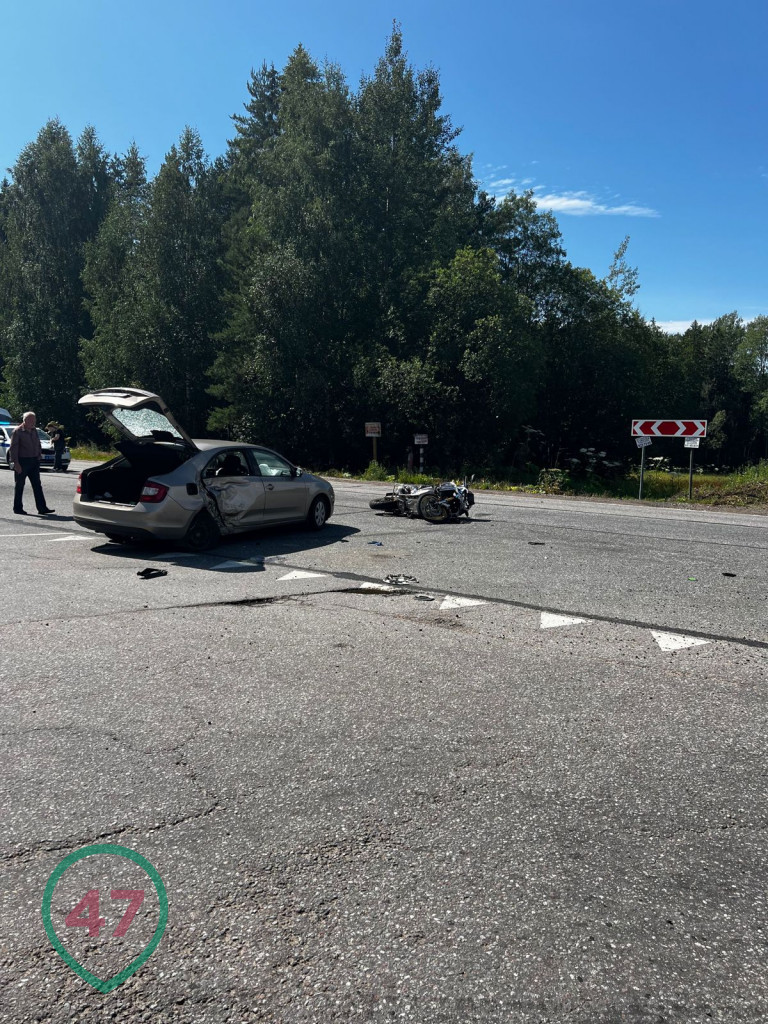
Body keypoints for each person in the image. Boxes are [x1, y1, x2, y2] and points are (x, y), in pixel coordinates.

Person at [9, 412, 55, 515]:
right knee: (20, 485)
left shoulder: (34, 430)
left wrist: (38, 456)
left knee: (37, 485)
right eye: (30, 420)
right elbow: (13, 448)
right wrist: (16, 463)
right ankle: (17, 508)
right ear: (24, 421)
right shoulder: (18, 431)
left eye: (34, 420)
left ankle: (42, 508)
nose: (33, 422)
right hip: (22, 461)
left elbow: (38, 444)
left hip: (34, 461)